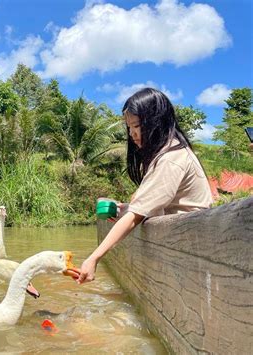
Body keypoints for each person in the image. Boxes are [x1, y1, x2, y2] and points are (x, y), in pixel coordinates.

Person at [77, 88, 213, 284]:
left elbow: (136, 216)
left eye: (137, 126)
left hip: (192, 244)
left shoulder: (171, 158)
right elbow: (142, 207)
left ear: (157, 122)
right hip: (178, 242)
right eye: (129, 127)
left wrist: (93, 258)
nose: (132, 134)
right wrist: (125, 209)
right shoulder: (166, 153)